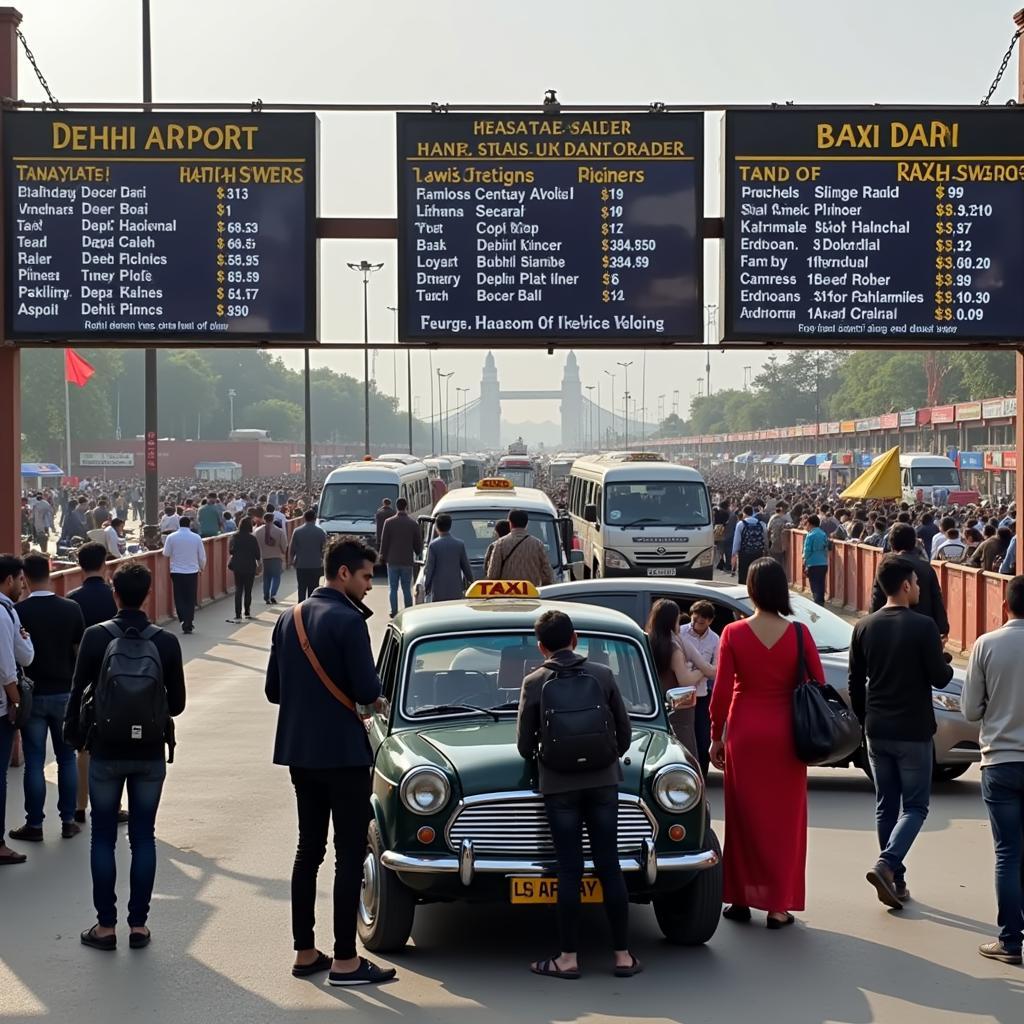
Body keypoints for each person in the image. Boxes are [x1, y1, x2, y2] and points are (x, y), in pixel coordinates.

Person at [265, 536, 396, 987]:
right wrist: (373, 698)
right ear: (344, 574)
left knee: (308, 851)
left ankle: (305, 951)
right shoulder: (349, 621)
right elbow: (364, 690)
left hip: (300, 753)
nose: (368, 586)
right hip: (343, 753)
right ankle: (345, 960)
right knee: (347, 855)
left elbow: (273, 692)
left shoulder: (290, 618)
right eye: (364, 577)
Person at [67, 562, 186, 950]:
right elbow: (179, 704)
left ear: (114, 593)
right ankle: (138, 925)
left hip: (106, 749)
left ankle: (105, 927)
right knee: (143, 838)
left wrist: (75, 736)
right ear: (148, 594)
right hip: (150, 752)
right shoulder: (165, 641)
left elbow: (77, 692)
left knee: (102, 836)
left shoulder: (95, 637)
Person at [515, 609, 638, 979]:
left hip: (559, 784)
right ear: (575, 639)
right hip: (603, 780)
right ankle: (622, 956)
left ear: (541, 647)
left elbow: (524, 744)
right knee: (608, 865)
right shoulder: (602, 674)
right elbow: (625, 732)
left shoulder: (534, 682)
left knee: (569, 870)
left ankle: (568, 958)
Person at [710, 557, 826, 928]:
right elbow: (818, 684)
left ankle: (741, 900)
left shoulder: (733, 633)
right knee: (785, 822)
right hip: (787, 736)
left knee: (743, 818)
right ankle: (778, 906)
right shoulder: (799, 634)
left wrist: (716, 735)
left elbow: (721, 692)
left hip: (744, 734)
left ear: (751, 589)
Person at [849, 556, 953, 909]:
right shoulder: (923, 627)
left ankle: (897, 877)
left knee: (885, 806)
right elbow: (940, 677)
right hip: (913, 729)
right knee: (916, 807)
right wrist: (944, 658)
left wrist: (866, 720)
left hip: (877, 728)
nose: (919, 588)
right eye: (916, 582)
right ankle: (888, 863)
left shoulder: (863, 626)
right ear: (906, 585)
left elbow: (854, 682)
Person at [963, 574, 1024, 964]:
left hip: (1000, 761)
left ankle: (1010, 941)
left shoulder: (987, 644)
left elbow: (970, 710)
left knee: (1008, 854)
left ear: (1006, 606)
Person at [7, 554, 85, 843]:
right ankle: (67, 821)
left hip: (33, 695)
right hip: (65, 692)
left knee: (35, 761)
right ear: (51, 571)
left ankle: (35, 825)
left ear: (23, 577)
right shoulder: (71, 609)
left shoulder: (18, 611)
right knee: (66, 759)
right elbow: (79, 651)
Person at [66, 542, 125, 826]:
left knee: (83, 748)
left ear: (80, 565)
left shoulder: (72, 599)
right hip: (117, 677)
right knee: (113, 742)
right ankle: (112, 805)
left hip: (84, 678)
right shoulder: (114, 597)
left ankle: (79, 806)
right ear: (104, 565)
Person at [0, 555, 33, 866]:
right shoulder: (4, 613)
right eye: (21, 580)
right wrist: (17, 701)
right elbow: (12, 666)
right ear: (9, 580)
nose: (23, 586)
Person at [868, 524, 950, 639]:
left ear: (892, 544)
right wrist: (943, 629)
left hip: (890, 629)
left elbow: (877, 598)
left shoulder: (886, 566)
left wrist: (872, 625)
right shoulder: (926, 567)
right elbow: (936, 598)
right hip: (922, 630)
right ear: (913, 543)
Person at [645, 599, 703, 758]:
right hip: (677, 710)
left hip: (655, 706)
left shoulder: (649, 641)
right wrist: (701, 672)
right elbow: (685, 680)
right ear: (671, 621)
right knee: (685, 756)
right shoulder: (673, 647)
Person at [681, 599, 720, 778]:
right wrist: (703, 669)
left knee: (703, 742)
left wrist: (699, 671)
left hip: (702, 696)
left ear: (710, 621)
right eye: (694, 620)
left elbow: (715, 671)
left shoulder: (715, 639)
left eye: (701, 622)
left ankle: (701, 779)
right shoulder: (681, 633)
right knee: (682, 741)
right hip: (680, 695)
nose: (696, 625)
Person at [162, 515, 207, 634]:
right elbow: (202, 556)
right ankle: (189, 621)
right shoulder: (196, 537)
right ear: (189, 524)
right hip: (192, 571)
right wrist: (201, 567)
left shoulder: (171, 537)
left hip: (177, 571)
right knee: (190, 597)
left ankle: (182, 619)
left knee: (179, 596)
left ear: (179, 524)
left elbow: (166, 553)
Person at [485, 508, 554, 586]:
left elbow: (493, 575)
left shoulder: (500, 544)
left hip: (507, 592)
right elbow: (547, 574)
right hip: (531, 592)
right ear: (527, 524)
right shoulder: (537, 544)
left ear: (510, 523)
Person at [379, 497, 422, 617]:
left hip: (392, 560)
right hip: (407, 560)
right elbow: (417, 543)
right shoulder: (413, 523)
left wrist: (382, 556)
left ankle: (394, 611)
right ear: (406, 506)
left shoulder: (389, 522)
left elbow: (384, 541)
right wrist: (418, 552)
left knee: (393, 588)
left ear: (396, 507)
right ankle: (408, 610)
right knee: (406, 588)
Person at [423, 513, 473, 602]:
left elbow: (429, 569)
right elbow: (466, 568)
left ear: (436, 527)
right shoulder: (459, 544)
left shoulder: (433, 545)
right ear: (450, 526)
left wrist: (426, 586)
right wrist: (472, 581)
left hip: (438, 591)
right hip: (456, 590)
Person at [227, 516, 261, 623]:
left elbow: (231, 551)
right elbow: (257, 554)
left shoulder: (234, 537)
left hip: (238, 566)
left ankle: (237, 614)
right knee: (248, 590)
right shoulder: (252, 538)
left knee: (238, 589)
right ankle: (247, 612)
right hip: (250, 566)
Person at [289, 509, 327, 602]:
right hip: (315, 565)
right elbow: (324, 550)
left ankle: (300, 608)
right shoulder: (321, 532)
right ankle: (311, 607)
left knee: (301, 588)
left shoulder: (297, 531)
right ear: (315, 519)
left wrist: (291, 561)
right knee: (313, 588)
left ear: (304, 518)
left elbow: (292, 548)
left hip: (301, 564)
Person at [255, 511, 287, 605]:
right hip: (276, 557)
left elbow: (255, 546)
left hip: (264, 558)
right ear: (273, 520)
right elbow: (284, 546)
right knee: (276, 577)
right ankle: (273, 594)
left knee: (266, 578)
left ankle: (266, 596)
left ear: (264, 519)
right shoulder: (279, 531)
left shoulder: (257, 531)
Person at [731, 505, 766, 585]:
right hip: (758, 553)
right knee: (757, 574)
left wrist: (734, 554)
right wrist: (766, 550)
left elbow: (737, 541)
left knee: (744, 575)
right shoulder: (761, 524)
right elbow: (765, 539)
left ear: (744, 513)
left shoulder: (740, 524)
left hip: (744, 553)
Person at [802, 514, 829, 606]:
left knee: (814, 586)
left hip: (813, 563)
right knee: (821, 584)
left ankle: (817, 604)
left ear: (809, 524)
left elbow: (807, 550)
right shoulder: (823, 533)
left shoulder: (810, 535)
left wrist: (804, 560)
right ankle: (821, 603)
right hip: (823, 563)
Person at [767, 501, 792, 570]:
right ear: (782, 509)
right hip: (779, 546)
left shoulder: (772, 518)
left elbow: (768, 531)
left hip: (775, 545)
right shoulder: (781, 519)